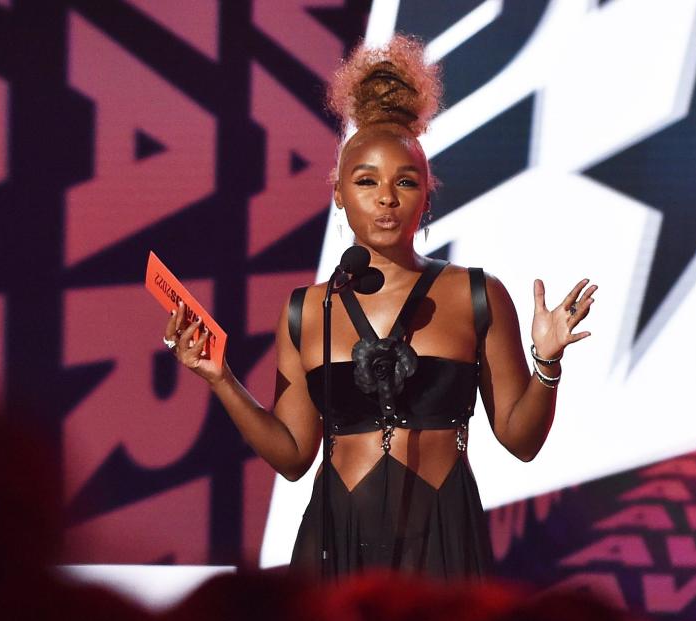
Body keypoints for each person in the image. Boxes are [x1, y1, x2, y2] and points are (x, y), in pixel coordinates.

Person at [163, 35, 596, 578]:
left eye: (405, 182)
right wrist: (221, 378)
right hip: (337, 547)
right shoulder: (307, 311)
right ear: (339, 192)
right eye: (366, 181)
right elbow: (295, 455)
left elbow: (521, 440)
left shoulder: (477, 294)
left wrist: (547, 363)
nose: (386, 198)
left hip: (443, 544)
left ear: (425, 195)